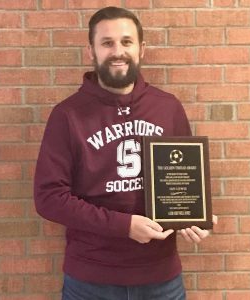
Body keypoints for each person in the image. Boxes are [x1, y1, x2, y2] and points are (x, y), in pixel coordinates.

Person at [34, 6, 216, 300]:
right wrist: (124, 226)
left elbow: (184, 179)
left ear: (141, 49)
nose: (118, 51)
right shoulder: (67, 115)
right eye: (107, 43)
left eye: (126, 41)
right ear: (91, 51)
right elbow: (49, 198)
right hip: (91, 281)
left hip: (161, 279)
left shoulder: (168, 108)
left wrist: (196, 216)